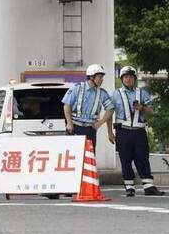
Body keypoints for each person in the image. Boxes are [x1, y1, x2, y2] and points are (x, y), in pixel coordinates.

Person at [110, 66, 165, 197]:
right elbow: (109, 112)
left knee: (142, 158)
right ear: (122, 79)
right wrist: (109, 132)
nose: (128, 79)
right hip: (123, 131)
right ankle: (129, 187)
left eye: (131, 77)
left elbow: (152, 112)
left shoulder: (142, 93)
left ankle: (149, 186)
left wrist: (142, 108)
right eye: (126, 77)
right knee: (125, 159)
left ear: (135, 78)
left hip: (139, 131)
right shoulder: (115, 94)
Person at [62, 64, 115, 148]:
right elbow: (67, 105)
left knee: (89, 157)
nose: (102, 80)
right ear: (91, 77)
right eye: (100, 77)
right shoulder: (77, 88)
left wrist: (100, 123)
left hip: (90, 129)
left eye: (102, 77)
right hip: (75, 127)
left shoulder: (102, 93)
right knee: (74, 156)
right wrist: (69, 123)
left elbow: (111, 109)